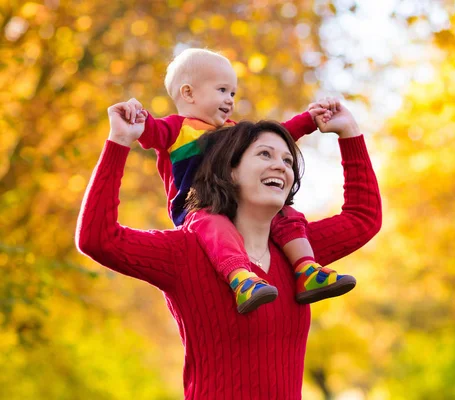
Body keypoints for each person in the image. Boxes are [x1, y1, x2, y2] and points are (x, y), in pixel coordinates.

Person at [76, 99, 381, 399]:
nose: (280, 165)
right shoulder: (186, 252)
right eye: (265, 154)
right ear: (231, 171)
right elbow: (97, 238)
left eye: (288, 160)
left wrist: (349, 132)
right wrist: (118, 141)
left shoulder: (298, 253)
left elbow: (363, 217)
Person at [120, 48, 356, 313]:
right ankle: (241, 279)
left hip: (237, 200)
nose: (230, 99)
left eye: (232, 93)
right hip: (199, 208)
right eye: (222, 90)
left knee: (287, 216)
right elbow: (147, 131)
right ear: (188, 93)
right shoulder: (175, 128)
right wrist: (135, 115)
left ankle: (306, 269)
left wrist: (310, 120)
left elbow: (277, 135)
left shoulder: (233, 131)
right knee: (215, 225)